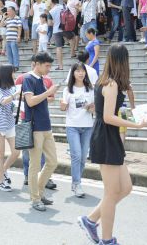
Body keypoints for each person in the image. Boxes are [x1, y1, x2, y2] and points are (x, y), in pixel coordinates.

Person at [77, 44, 147, 245]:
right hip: (105, 137)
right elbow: (108, 117)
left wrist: (134, 111)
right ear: (122, 61)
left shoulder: (111, 82)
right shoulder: (110, 84)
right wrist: (135, 124)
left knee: (125, 188)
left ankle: (90, 220)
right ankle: (107, 240)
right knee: (111, 192)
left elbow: (113, 113)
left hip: (110, 137)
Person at [22, 51, 60, 211]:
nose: (49, 69)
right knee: (35, 165)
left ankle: (39, 191)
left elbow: (41, 100)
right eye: (47, 65)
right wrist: (48, 92)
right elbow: (30, 102)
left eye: (50, 66)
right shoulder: (28, 79)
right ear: (37, 64)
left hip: (46, 126)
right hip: (35, 127)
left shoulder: (41, 79)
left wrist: (48, 94)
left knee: (52, 162)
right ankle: (35, 198)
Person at [61, 62, 95, 198]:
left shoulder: (90, 89)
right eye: (78, 71)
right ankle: (77, 183)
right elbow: (63, 108)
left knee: (83, 157)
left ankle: (76, 183)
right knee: (76, 155)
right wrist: (63, 105)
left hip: (87, 126)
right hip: (72, 126)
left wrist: (89, 107)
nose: (81, 73)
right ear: (73, 73)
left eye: (82, 71)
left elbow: (93, 110)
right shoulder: (67, 90)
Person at [0, 64, 20, 191]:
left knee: (16, 152)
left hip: (9, 123)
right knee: (0, 154)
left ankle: (4, 169)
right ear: (7, 74)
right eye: (12, 72)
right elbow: (2, 101)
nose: (14, 75)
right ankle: (2, 181)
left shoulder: (12, 88)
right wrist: (15, 95)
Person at [3, 6, 22, 72]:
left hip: (14, 39)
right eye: (7, 11)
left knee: (15, 53)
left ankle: (16, 66)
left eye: (9, 11)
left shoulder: (17, 18)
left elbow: (19, 28)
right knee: (9, 54)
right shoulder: (7, 19)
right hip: (8, 39)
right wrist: (3, 17)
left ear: (13, 11)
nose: (8, 12)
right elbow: (1, 25)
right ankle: (10, 66)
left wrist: (19, 36)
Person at [49, 0, 65, 70]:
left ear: (52, 2)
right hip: (67, 29)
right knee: (72, 39)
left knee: (58, 47)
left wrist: (55, 23)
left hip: (57, 30)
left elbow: (49, 23)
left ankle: (60, 66)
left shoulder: (51, 11)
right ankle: (73, 53)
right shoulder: (64, 7)